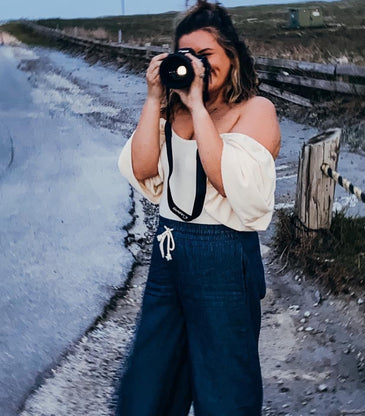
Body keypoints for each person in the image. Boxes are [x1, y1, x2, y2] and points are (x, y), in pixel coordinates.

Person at [116, 1, 281, 415]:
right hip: (168, 253)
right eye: (188, 56)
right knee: (150, 379)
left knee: (224, 386)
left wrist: (197, 107)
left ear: (233, 58)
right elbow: (142, 167)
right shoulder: (171, 111)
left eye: (207, 56)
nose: (198, 66)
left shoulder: (255, 111)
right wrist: (156, 97)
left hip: (224, 259)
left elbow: (228, 178)